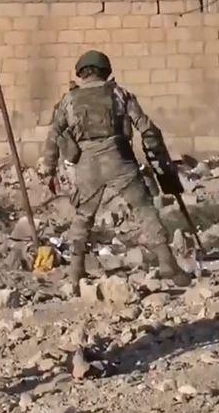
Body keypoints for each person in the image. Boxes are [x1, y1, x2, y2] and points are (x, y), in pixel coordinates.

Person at [39, 50, 192, 288]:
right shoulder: (119, 94)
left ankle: (75, 272)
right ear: (106, 71)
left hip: (87, 165)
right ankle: (166, 262)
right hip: (119, 160)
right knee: (144, 209)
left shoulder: (69, 100)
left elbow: (53, 136)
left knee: (83, 217)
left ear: (81, 73)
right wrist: (160, 162)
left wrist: (48, 168)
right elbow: (147, 129)